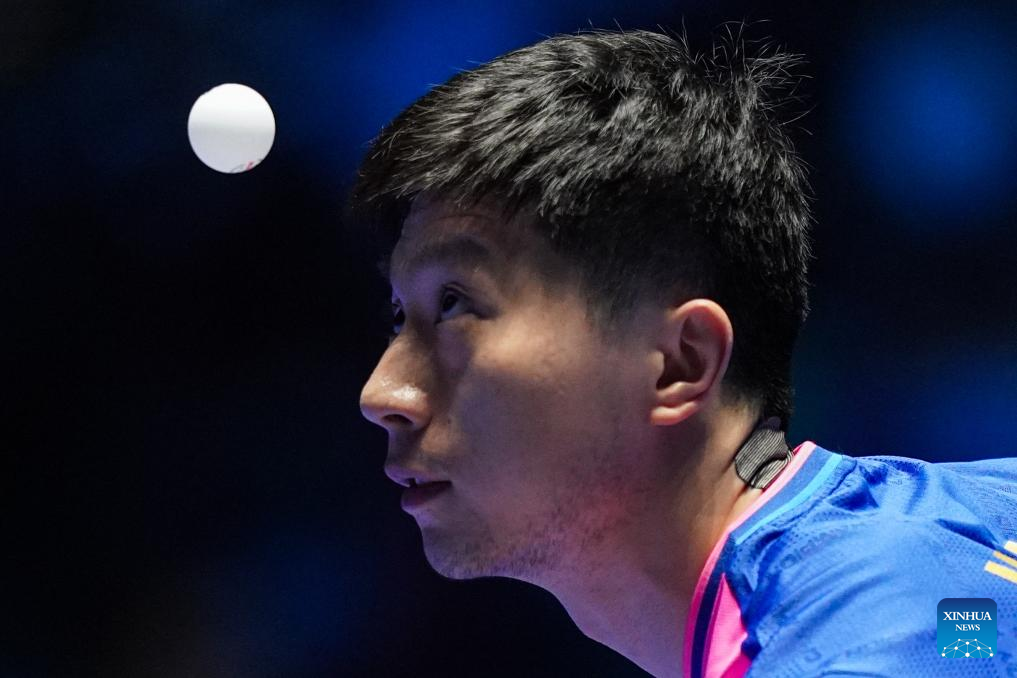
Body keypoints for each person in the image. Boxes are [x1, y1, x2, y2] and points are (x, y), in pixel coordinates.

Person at [352, 26, 1017, 677]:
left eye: (456, 304)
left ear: (679, 362)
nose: (382, 394)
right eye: (399, 316)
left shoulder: (855, 648)